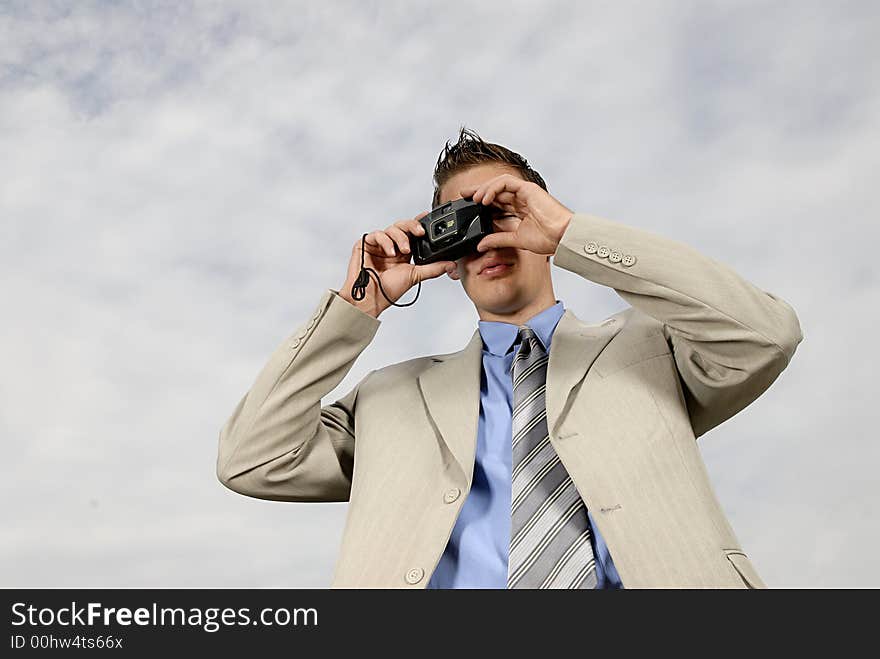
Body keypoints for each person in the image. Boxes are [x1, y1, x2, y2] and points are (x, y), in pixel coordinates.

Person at [216, 127, 803, 588]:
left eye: (501, 213)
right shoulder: (389, 397)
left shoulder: (654, 346)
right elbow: (252, 458)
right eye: (460, 224)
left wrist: (570, 233)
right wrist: (356, 306)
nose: (485, 238)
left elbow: (766, 336)